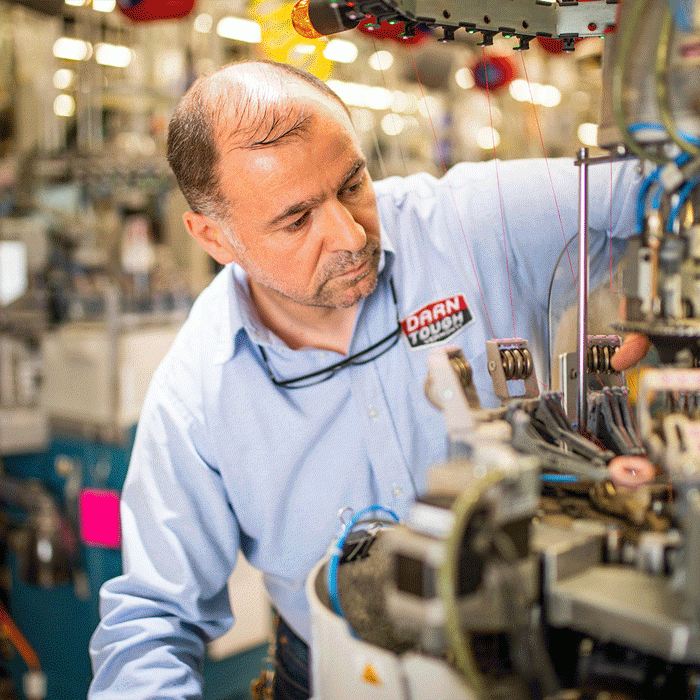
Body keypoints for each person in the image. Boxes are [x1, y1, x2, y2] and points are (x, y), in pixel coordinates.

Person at [88, 59, 642, 699]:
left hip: (533, 661)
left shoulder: (468, 222)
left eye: (352, 184)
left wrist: (665, 285)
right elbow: (152, 620)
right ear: (214, 236)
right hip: (336, 676)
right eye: (296, 221)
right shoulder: (197, 391)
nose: (350, 235)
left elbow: (664, 181)